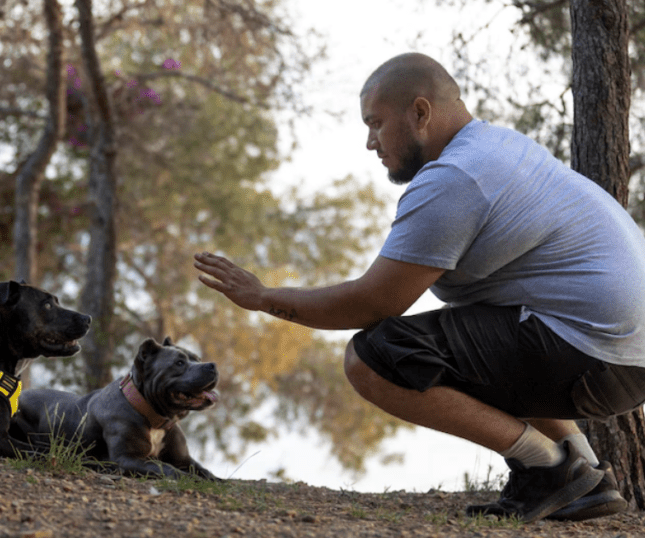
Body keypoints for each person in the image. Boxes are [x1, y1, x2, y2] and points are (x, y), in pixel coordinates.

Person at [193, 52, 645, 523]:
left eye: (375, 123)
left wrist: (264, 297)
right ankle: (587, 472)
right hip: (626, 360)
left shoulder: (457, 177)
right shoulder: (499, 149)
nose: (370, 142)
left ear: (420, 113)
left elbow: (372, 304)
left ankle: (549, 468)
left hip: (594, 351)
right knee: (475, 341)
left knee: (375, 358)